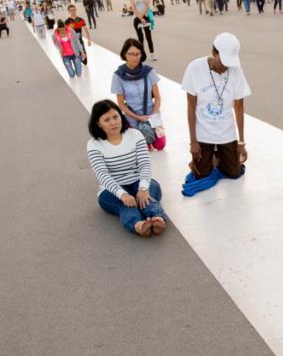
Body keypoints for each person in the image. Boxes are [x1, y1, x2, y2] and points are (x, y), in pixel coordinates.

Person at [87, 100, 168, 237]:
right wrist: (122, 194)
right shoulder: (94, 145)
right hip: (111, 189)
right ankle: (138, 225)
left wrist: (143, 188)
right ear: (98, 123)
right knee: (126, 205)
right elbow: (102, 175)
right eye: (107, 120)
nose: (113, 122)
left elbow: (145, 164)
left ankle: (158, 219)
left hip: (139, 181)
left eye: (116, 117)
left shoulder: (135, 135)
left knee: (147, 199)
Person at [181, 33, 251, 182]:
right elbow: (191, 107)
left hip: (226, 131)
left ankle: (219, 156)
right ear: (214, 52)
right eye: (224, 61)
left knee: (234, 172)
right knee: (201, 174)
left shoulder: (236, 70)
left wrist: (241, 142)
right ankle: (211, 156)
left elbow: (239, 107)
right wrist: (193, 141)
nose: (226, 66)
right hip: (203, 131)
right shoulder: (195, 68)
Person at [112, 38, 165, 150]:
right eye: (131, 54)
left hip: (151, 116)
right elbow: (121, 104)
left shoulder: (149, 71)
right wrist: (138, 117)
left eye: (137, 54)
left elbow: (158, 97)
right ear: (124, 54)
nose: (135, 57)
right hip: (133, 118)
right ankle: (133, 132)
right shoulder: (118, 76)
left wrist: (154, 116)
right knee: (144, 149)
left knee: (160, 145)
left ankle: (153, 132)